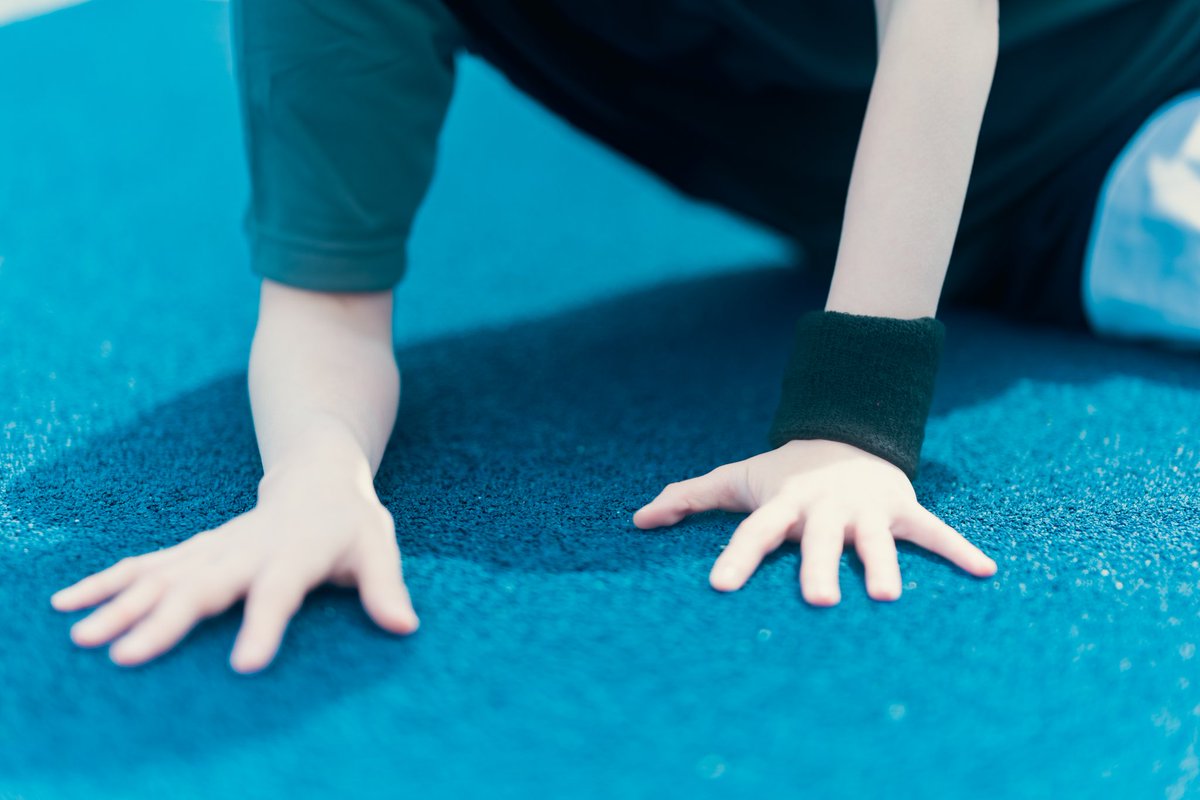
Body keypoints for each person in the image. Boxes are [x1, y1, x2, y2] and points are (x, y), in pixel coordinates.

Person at [49, 0, 1200, 673]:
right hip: (1049, 225)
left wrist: (850, 424)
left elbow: (941, 20)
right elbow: (325, 306)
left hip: (1146, 94)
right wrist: (311, 478)